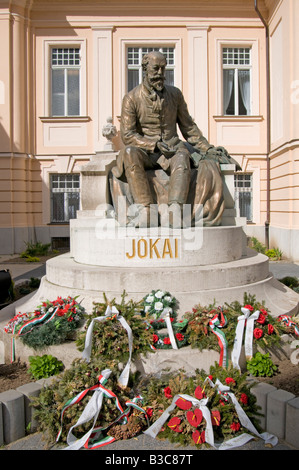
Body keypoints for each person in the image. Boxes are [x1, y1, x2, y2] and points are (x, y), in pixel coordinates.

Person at [112, 50, 239, 227]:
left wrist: (207, 148)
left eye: (163, 69)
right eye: (155, 69)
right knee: (128, 153)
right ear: (145, 69)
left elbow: (188, 127)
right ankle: (145, 210)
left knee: (182, 154)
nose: (160, 74)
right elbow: (127, 135)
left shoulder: (175, 95)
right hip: (145, 152)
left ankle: (175, 211)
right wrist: (154, 145)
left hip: (171, 150)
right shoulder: (131, 98)